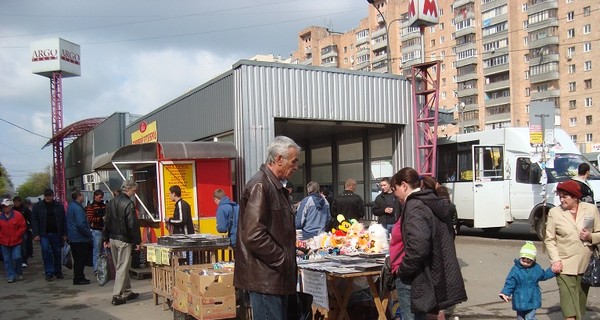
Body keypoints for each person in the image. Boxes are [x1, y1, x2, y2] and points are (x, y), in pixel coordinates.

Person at [234, 136, 300, 320]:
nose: (296, 167)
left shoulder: (274, 186)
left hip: (274, 277)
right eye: (294, 161)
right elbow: (254, 235)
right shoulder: (261, 185)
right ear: (279, 159)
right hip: (266, 279)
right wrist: (283, 259)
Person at [390, 168, 467, 320]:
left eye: (395, 189)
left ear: (404, 185)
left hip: (415, 275)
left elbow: (418, 247)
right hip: (426, 272)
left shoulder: (415, 205)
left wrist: (403, 270)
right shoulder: (429, 201)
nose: (395, 194)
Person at [544, 180, 600, 320]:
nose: (561, 199)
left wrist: (590, 236)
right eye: (560, 196)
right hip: (564, 265)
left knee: (580, 305)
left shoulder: (591, 209)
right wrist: (555, 260)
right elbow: (549, 240)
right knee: (568, 304)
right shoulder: (555, 213)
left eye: (565, 197)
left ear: (575, 197)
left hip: (585, 264)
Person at [103, 179, 141, 306]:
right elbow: (132, 225)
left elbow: (106, 222)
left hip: (113, 238)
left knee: (120, 267)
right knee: (122, 268)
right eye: (134, 191)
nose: (134, 193)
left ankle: (127, 291)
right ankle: (117, 295)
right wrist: (137, 241)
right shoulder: (128, 204)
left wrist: (105, 238)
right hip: (124, 239)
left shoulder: (111, 202)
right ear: (129, 189)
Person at [499, 241, 555, 320]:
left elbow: (543, 275)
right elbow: (510, 281)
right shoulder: (516, 269)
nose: (525, 263)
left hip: (532, 298)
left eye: (528, 261)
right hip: (519, 299)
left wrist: (553, 271)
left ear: (533, 260)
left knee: (530, 317)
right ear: (520, 257)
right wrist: (505, 293)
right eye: (523, 260)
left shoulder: (536, 268)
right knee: (520, 317)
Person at [31, 188, 67, 281]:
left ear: (52, 195)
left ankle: (58, 271)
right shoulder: (38, 206)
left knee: (57, 252)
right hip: (44, 234)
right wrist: (36, 234)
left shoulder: (59, 206)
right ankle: (49, 272)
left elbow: (63, 220)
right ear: (44, 196)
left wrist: (65, 233)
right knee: (46, 251)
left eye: (49, 195)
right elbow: (34, 221)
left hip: (56, 233)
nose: (48, 197)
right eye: (46, 196)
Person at [66, 190, 93, 285]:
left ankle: (79, 276)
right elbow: (81, 224)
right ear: (78, 196)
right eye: (82, 196)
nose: (83, 197)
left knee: (77, 259)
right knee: (80, 260)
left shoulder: (70, 206)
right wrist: (89, 234)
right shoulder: (77, 208)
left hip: (73, 237)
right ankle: (79, 278)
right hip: (79, 238)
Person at [0, 198, 26, 283]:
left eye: (6, 206)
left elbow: (23, 226)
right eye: (3, 206)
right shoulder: (0, 216)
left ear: (11, 206)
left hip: (16, 241)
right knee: (7, 259)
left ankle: (19, 272)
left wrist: (18, 234)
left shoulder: (18, 215)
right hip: (4, 241)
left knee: (17, 257)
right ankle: (11, 275)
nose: (4, 208)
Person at [86, 190, 106, 274]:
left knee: (104, 251)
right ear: (95, 196)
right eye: (99, 197)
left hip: (104, 230)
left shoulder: (104, 206)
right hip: (96, 231)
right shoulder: (91, 207)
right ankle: (96, 269)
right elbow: (89, 219)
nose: (101, 199)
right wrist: (101, 219)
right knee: (97, 251)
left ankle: (103, 268)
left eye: (102, 197)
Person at [13, 196, 33, 268]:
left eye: (17, 202)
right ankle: (18, 260)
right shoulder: (12, 210)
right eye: (14, 202)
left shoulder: (25, 209)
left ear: (20, 202)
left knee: (24, 245)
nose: (15, 204)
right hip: (14, 230)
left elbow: (30, 218)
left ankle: (24, 260)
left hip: (24, 229)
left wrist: (30, 227)